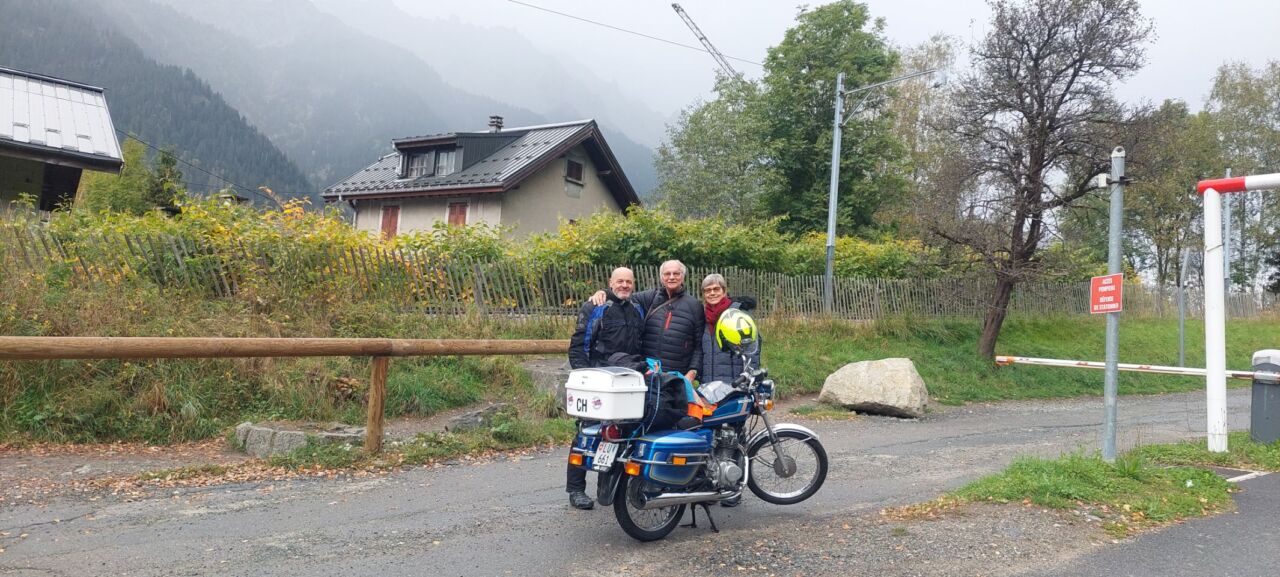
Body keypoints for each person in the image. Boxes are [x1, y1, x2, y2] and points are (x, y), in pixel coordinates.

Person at [565, 267, 644, 510]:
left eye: (628, 281)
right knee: (587, 433)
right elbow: (579, 345)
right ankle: (576, 489)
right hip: (598, 381)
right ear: (610, 282)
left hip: (626, 383)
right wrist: (585, 377)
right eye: (620, 281)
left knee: (619, 435)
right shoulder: (595, 306)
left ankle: (606, 487)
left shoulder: (637, 308)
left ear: (633, 284)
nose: (624, 285)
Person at [697, 273, 759, 508]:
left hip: (734, 385)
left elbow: (752, 349)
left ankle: (733, 488)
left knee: (735, 438)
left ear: (724, 291)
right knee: (711, 438)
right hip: (709, 387)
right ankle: (712, 486)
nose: (712, 293)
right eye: (708, 290)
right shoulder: (702, 318)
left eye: (716, 289)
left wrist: (748, 379)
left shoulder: (738, 315)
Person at [593, 260, 703, 383]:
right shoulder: (650, 298)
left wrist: (692, 372)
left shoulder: (694, 305)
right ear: (661, 277)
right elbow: (623, 294)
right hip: (648, 374)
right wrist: (604, 293)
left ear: (683, 277)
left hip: (678, 376)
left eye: (676, 274)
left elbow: (699, 345)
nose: (671, 277)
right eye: (667, 274)